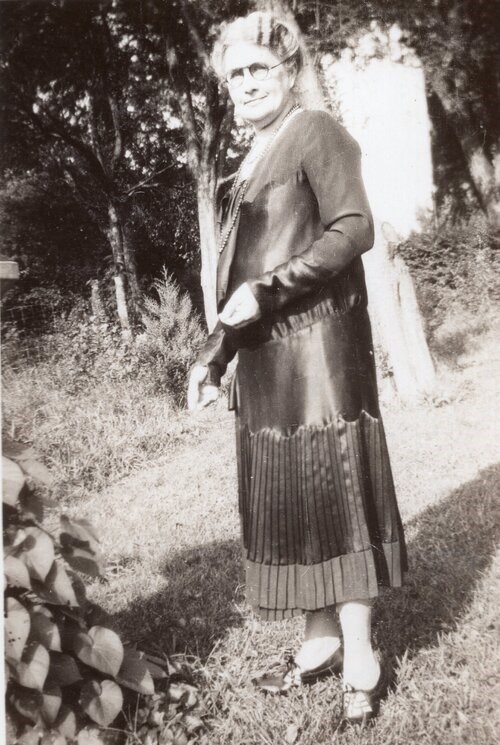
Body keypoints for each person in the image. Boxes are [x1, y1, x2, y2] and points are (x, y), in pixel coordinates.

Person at [188, 11, 407, 726]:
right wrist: (214, 354)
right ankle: (317, 645)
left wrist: (272, 291)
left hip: (320, 353)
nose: (246, 83)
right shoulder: (248, 159)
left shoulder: (317, 132)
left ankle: (361, 656)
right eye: (235, 74)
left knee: (333, 495)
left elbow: (353, 227)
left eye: (257, 68)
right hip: (264, 364)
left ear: (287, 69)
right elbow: (238, 276)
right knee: (290, 502)